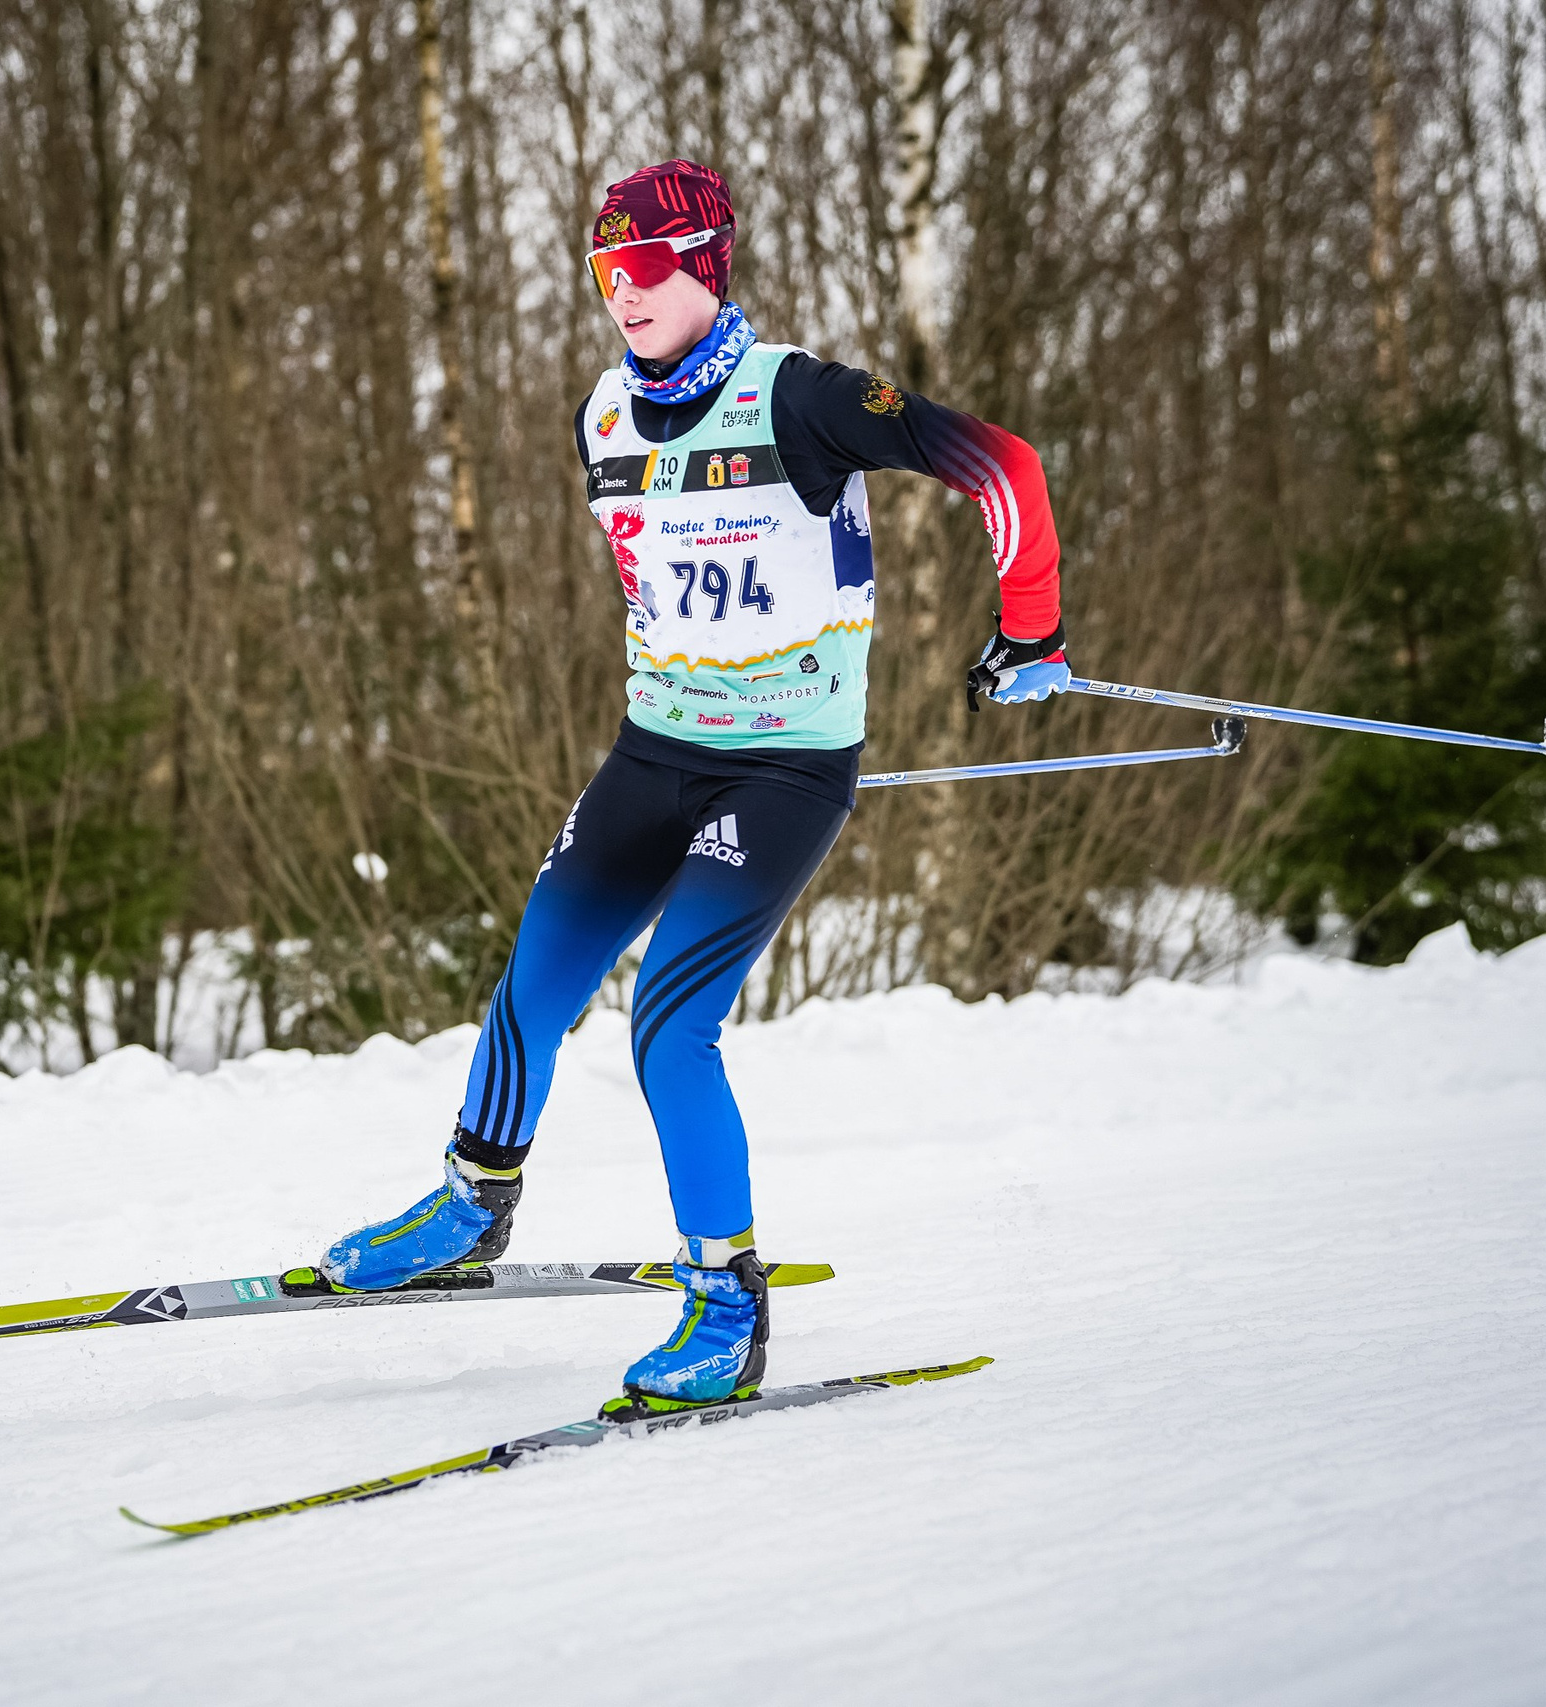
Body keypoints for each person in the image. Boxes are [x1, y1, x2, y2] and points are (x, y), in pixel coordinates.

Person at [317, 159, 1067, 1414]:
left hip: (782, 771)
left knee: (669, 1023)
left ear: (708, 267)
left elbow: (1006, 467)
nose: (626, 293)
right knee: (537, 975)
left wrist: (1030, 629)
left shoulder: (804, 398)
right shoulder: (599, 419)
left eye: (652, 269)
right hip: (654, 754)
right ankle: (469, 1206)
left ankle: (727, 1305)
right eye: (608, 271)